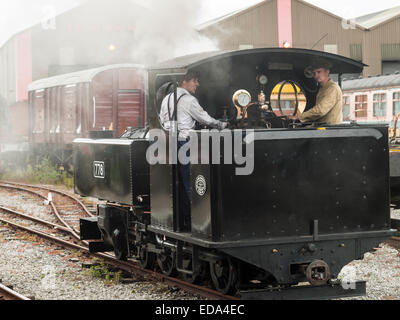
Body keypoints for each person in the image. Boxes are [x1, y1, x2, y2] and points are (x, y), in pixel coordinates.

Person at [159, 71, 227, 231]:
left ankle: (185, 220)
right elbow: (205, 119)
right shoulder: (189, 100)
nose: (197, 84)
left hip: (169, 144)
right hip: (186, 144)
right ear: (184, 82)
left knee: (181, 184)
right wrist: (222, 125)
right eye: (195, 81)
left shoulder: (166, 99)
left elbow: (162, 120)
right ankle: (197, 223)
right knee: (194, 183)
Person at [298, 59, 343, 125]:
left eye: (319, 72)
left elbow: (320, 111)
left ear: (327, 72)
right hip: (323, 128)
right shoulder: (322, 88)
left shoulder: (332, 88)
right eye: (314, 73)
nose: (316, 76)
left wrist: (299, 117)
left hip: (331, 131)